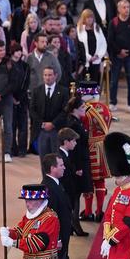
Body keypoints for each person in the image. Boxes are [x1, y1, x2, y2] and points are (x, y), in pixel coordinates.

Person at [76, 80, 111, 222]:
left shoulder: (84, 111)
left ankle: (88, 211)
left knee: (88, 180)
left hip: (88, 148)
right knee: (100, 181)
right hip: (103, 147)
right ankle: (99, 212)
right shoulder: (105, 108)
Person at [41, 152, 79, 259]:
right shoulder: (49, 188)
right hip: (58, 235)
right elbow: (50, 217)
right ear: (53, 169)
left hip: (63, 230)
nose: (64, 167)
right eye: (61, 165)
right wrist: (56, 239)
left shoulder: (55, 183)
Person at [29, 66, 69, 160]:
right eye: (45, 75)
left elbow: (65, 111)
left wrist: (53, 124)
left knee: (57, 158)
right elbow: (32, 109)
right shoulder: (37, 91)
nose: (47, 77)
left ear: (55, 76)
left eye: (50, 75)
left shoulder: (63, 91)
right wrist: (42, 124)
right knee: (44, 159)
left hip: (57, 130)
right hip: (41, 130)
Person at [108, 0, 130, 113]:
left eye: (128, 7)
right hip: (116, 55)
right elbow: (110, 40)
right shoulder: (114, 22)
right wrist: (119, 51)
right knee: (114, 80)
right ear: (119, 9)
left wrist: (128, 51)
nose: (127, 9)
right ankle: (112, 102)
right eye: (124, 7)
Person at [56, 125, 88, 237]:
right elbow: (63, 178)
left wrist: (74, 172)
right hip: (66, 194)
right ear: (66, 142)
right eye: (73, 141)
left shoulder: (66, 155)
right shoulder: (60, 157)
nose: (75, 143)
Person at [76, 9, 108, 84]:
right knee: (85, 82)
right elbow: (80, 46)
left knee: (94, 82)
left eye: (91, 17)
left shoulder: (97, 28)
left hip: (96, 60)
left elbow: (103, 43)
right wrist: (89, 57)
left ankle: (93, 96)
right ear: (83, 18)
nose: (90, 19)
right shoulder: (79, 29)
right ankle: (85, 96)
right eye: (87, 17)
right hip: (85, 61)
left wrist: (97, 55)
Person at [9, 44, 29, 158]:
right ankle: (12, 148)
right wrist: (12, 97)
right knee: (11, 125)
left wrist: (19, 98)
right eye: (16, 51)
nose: (19, 53)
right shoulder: (8, 65)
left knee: (23, 125)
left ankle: (22, 149)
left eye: (20, 51)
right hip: (9, 97)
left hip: (22, 98)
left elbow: (26, 83)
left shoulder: (25, 66)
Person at [0, 40, 14, 163]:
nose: (2, 52)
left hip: (6, 99)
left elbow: (12, 82)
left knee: (8, 126)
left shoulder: (9, 63)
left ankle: (7, 152)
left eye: (3, 49)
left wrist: (1, 95)